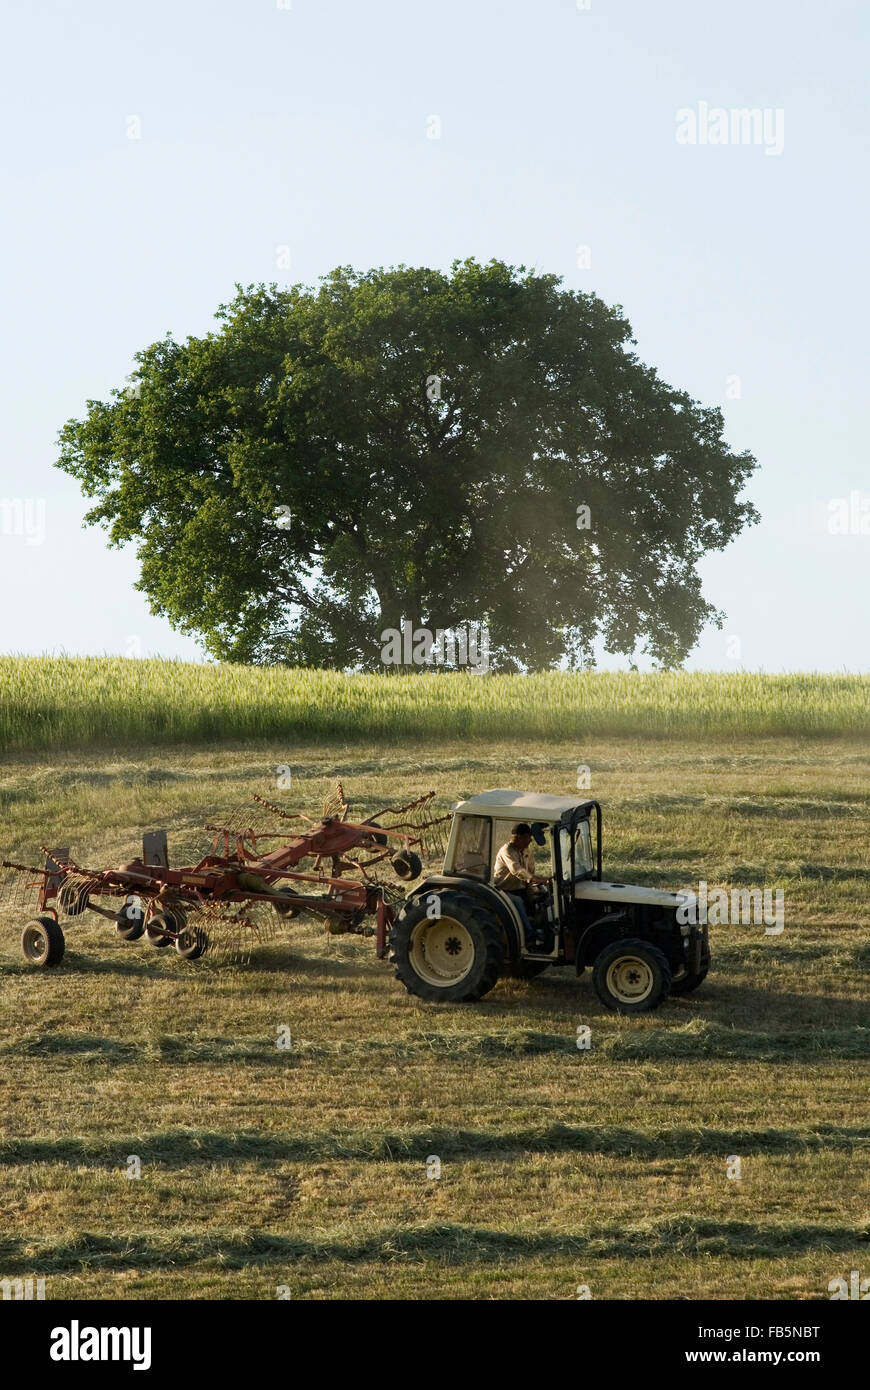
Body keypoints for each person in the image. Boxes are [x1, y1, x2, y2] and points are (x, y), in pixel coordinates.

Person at [492, 822, 550, 948]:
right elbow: (517, 870)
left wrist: (537, 885)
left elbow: (530, 870)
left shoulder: (526, 851)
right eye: (528, 837)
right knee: (518, 902)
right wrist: (534, 879)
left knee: (543, 896)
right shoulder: (506, 850)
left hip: (521, 888)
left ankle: (543, 931)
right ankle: (529, 936)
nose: (530, 841)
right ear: (518, 837)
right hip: (504, 890)